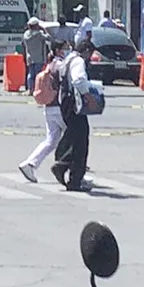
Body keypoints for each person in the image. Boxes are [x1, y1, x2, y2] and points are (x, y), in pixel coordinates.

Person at [51, 39, 100, 191]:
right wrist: (89, 97)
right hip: (73, 104)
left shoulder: (68, 59)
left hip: (65, 102)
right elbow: (78, 80)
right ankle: (72, 177)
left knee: (74, 137)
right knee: (81, 142)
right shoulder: (78, 61)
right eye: (90, 54)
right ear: (86, 51)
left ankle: (64, 166)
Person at [18, 39, 70, 182]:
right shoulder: (60, 65)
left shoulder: (49, 64)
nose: (68, 50)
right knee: (74, 138)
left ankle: (30, 164)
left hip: (49, 107)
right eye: (65, 48)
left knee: (51, 140)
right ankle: (75, 170)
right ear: (58, 50)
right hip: (60, 107)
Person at [22, 17, 51, 94]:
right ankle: (36, 89)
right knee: (37, 74)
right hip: (39, 57)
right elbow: (49, 37)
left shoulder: (26, 34)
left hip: (30, 57)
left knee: (31, 74)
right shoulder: (39, 34)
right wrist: (45, 30)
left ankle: (30, 89)